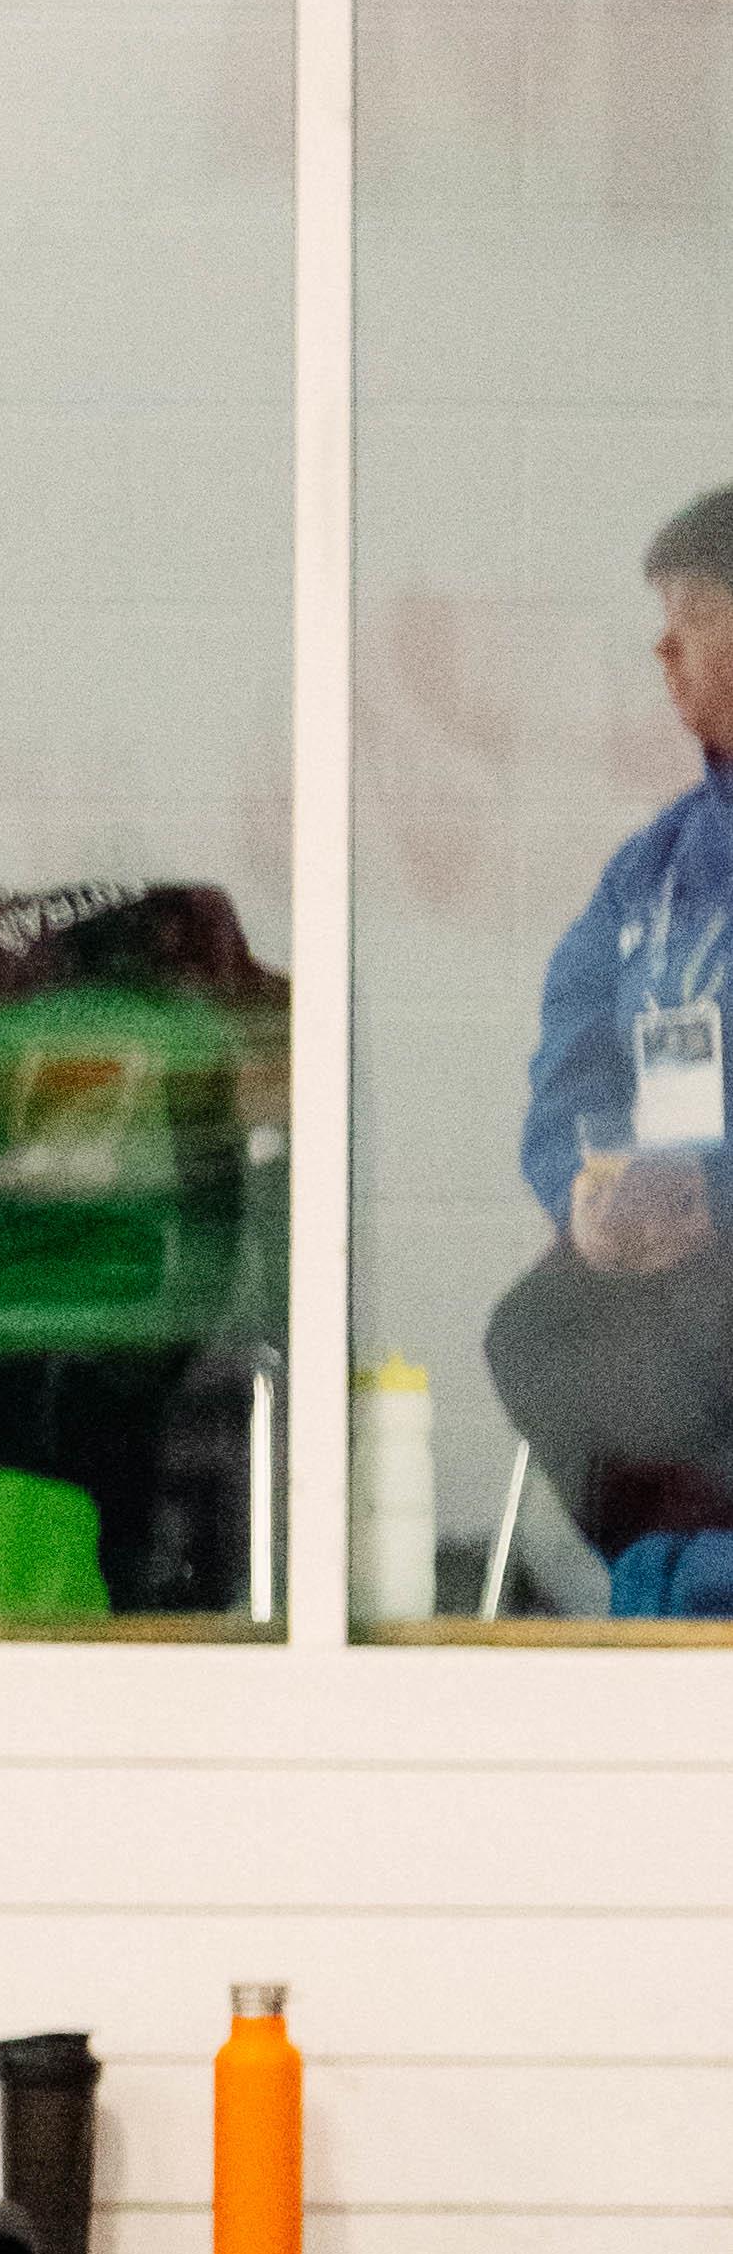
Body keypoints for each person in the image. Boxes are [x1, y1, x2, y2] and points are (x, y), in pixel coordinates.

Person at [490, 483, 733, 1593]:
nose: (663, 645)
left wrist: (710, 1196)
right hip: (675, 1266)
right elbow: (573, 1065)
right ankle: (668, 1590)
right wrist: (588, 1195)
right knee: (538, 1325)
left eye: (693, 611)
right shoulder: (653, 871)